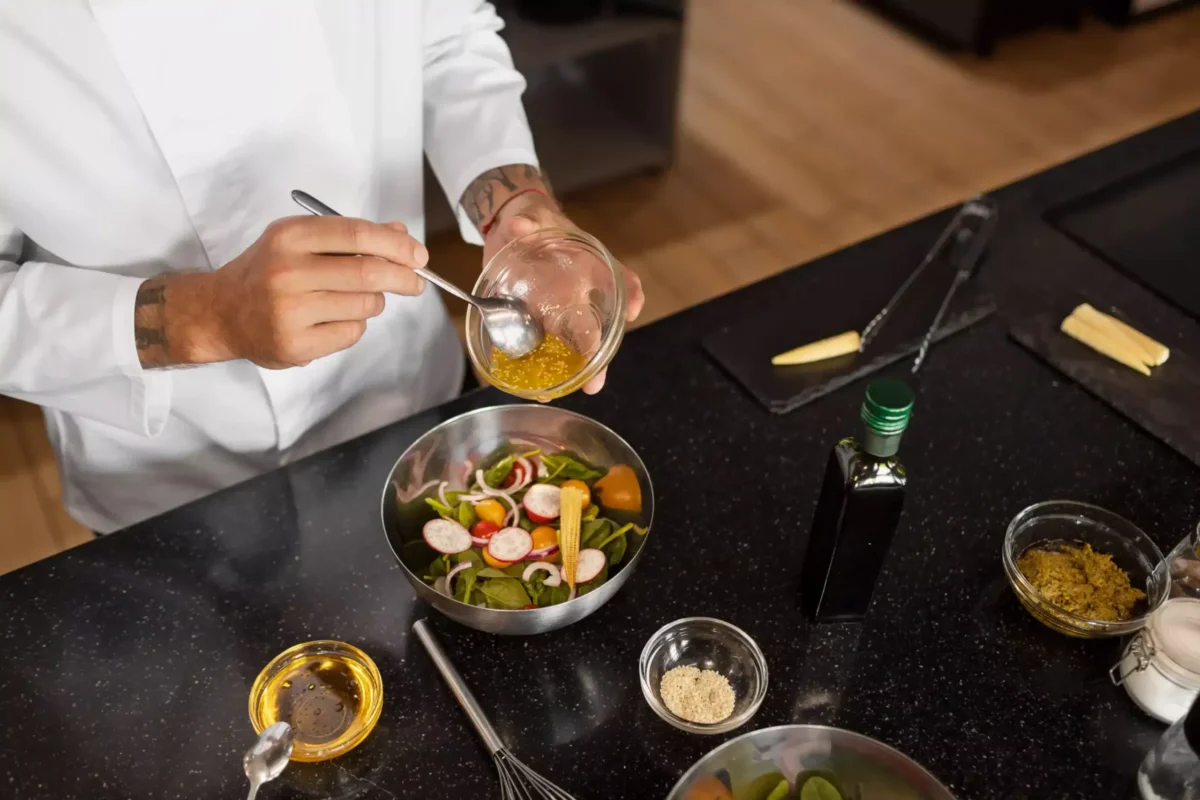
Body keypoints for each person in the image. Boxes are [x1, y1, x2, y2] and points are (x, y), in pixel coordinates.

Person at [0, 2, 644, 534]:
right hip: (168, 479)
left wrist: (516, 208)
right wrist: (203, 319)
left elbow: (446, 37)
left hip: (402, 397)